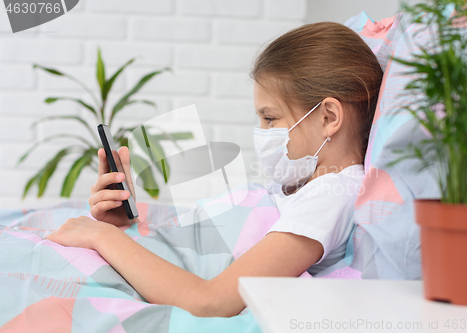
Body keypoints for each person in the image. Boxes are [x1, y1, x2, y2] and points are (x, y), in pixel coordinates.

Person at [45, 21, 383, 318]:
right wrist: (126, 225)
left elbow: (211, 302)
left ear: (328, 118)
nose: (263, 134)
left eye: (270, 118)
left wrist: (102, 237)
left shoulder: (331, 195)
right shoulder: (301, 182)